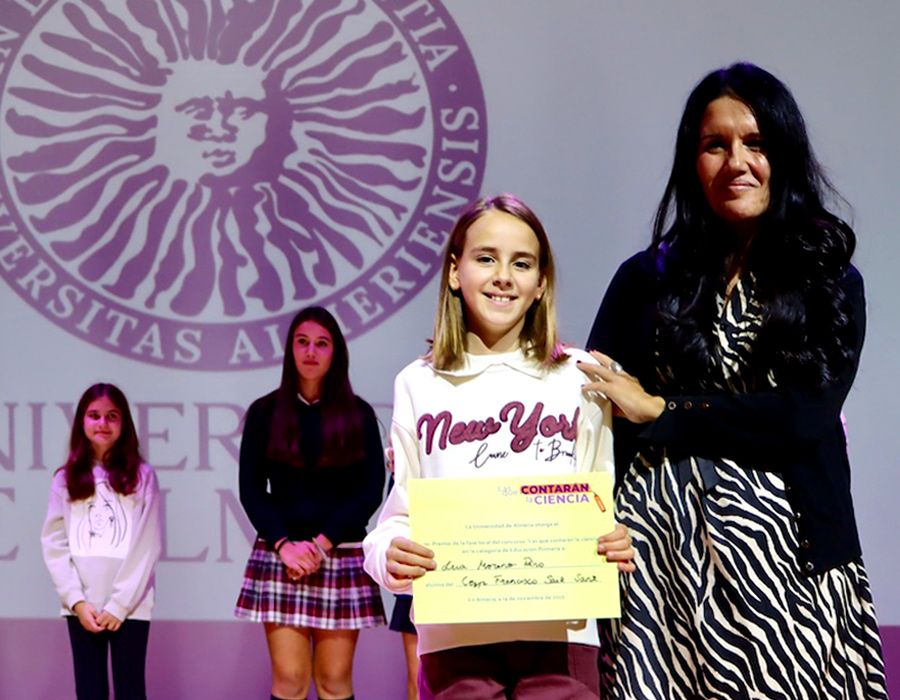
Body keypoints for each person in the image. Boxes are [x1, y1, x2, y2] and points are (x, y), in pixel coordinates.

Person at [581, 62, 887, 699]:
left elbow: (804, 416)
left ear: (785, 154)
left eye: (756, 143)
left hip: (790, 564)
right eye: (714, 145)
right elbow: (592, 416)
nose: (736, 162)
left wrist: (665, 409)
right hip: (655, 561)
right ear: (691, 162)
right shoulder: (644, 279)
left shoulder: (830, 281)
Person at [363, 194, 636, 699]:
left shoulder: (580, 379)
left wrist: (615, 537)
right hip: (453, 638)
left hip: (561, 632)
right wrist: (388, 556)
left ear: (541, 285)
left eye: (522, 263)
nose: (503, 276)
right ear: (454, 271)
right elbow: (397, 517)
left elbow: (601, 502)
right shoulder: (418, 384)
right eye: (486, 258)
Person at [235, 306, 386, 700]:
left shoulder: (359, 415)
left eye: (322, 343)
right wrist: (286, 545)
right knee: (289, 681)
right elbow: (251, 490)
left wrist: (321, 543)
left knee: (334, 682)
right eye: (302, 342)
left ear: (336, 352)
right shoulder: (265, 412)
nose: (311, 352)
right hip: (282, 556)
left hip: (338, 552)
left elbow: (370, 490)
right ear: (290, 351)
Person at [41, 383, 162, 700]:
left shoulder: (142, 476)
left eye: (112, 416)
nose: (102, 423)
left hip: (131, 606)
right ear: (82, 422)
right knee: (90, 689)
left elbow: (146, 545)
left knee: (130, 688)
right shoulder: (64, 479)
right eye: (94, 416)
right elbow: (54, 545)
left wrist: (119, 604)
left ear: (124, 424)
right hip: (83, 607)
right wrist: (77, 601)